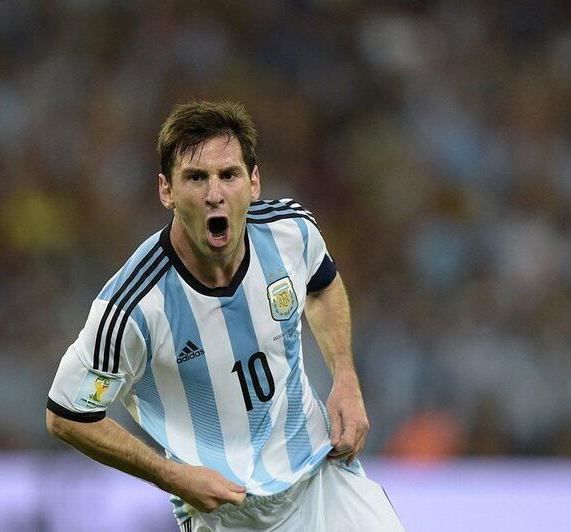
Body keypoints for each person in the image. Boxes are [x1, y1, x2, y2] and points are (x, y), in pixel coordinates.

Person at [45, 101, 404, 531]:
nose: (214, 193)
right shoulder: (132, 307)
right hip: (228, 518)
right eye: (196, 177)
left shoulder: (291, 231)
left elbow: (322, 284)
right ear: (167, 191)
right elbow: (66, 414)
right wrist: (171, 475)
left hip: (320, 481)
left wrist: (345, 378)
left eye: (228, 175)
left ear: (253, 182)